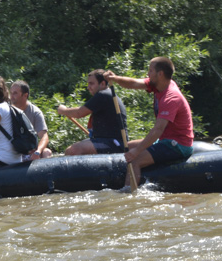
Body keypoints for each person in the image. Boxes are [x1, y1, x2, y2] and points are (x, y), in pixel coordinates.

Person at [105, 57, 194, 189]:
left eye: (150, 70)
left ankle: (128, 195)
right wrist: (115, 78)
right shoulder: (158, 85)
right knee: (127, 146)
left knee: (136, 160)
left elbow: (157, 130)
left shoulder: (171, 97)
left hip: (178, 144)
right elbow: (133, 83)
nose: (148, 73)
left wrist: (137, 152)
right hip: (165, 140)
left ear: (160, 74)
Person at [58, 69, 128, 155]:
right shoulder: (107, 94)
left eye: (91, 83)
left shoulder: (103, 95)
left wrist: (63, 110)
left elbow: (80, 113)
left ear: (102, 83)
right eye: (88, 84)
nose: (88, 87)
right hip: (106, 141)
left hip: (113, 143)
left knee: (73, 150)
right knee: (71, 149)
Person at [9, 80, 51, 158]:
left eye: (15, 93)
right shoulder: (6, 111)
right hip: (11, 151)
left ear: (25, 95)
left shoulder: (35, 112)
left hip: (29, 152)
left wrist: (38, 152)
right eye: (11, 93)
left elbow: (44, 136)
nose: (11, 97)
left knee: (46, 152)